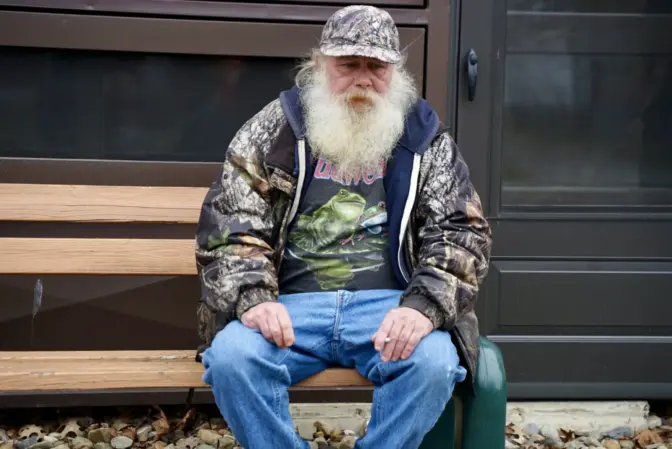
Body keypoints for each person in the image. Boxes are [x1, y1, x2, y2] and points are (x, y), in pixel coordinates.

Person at [194, 5, 492, 448]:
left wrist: (422, 307)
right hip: (291, 309)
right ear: (319, 65)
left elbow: (461, 231)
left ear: (395, 71)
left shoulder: (423, 136)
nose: (363, 79)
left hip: (390, 309)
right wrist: (253, 297)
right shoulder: (276, 127)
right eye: (348, 64)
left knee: (434, 363)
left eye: (376, 66)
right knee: (233, 359)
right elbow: (229, 221)